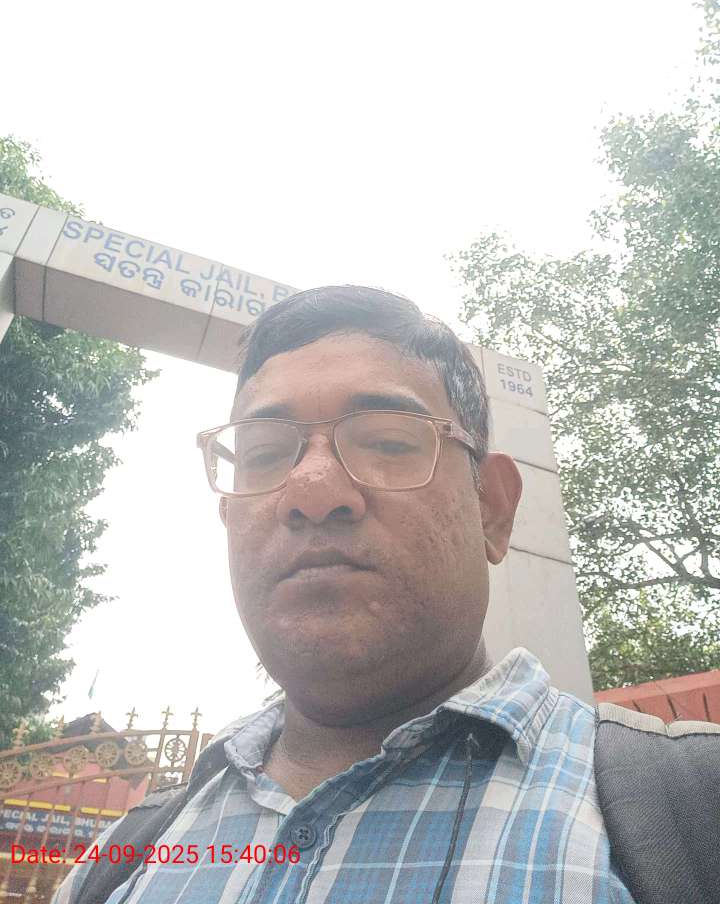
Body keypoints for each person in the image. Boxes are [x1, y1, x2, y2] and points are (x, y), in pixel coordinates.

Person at [54, 285, 638, 903]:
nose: (311, 490)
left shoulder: (676, 818)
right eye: (264, 453)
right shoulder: (116, 866)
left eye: (388, 442)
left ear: (491, 508)